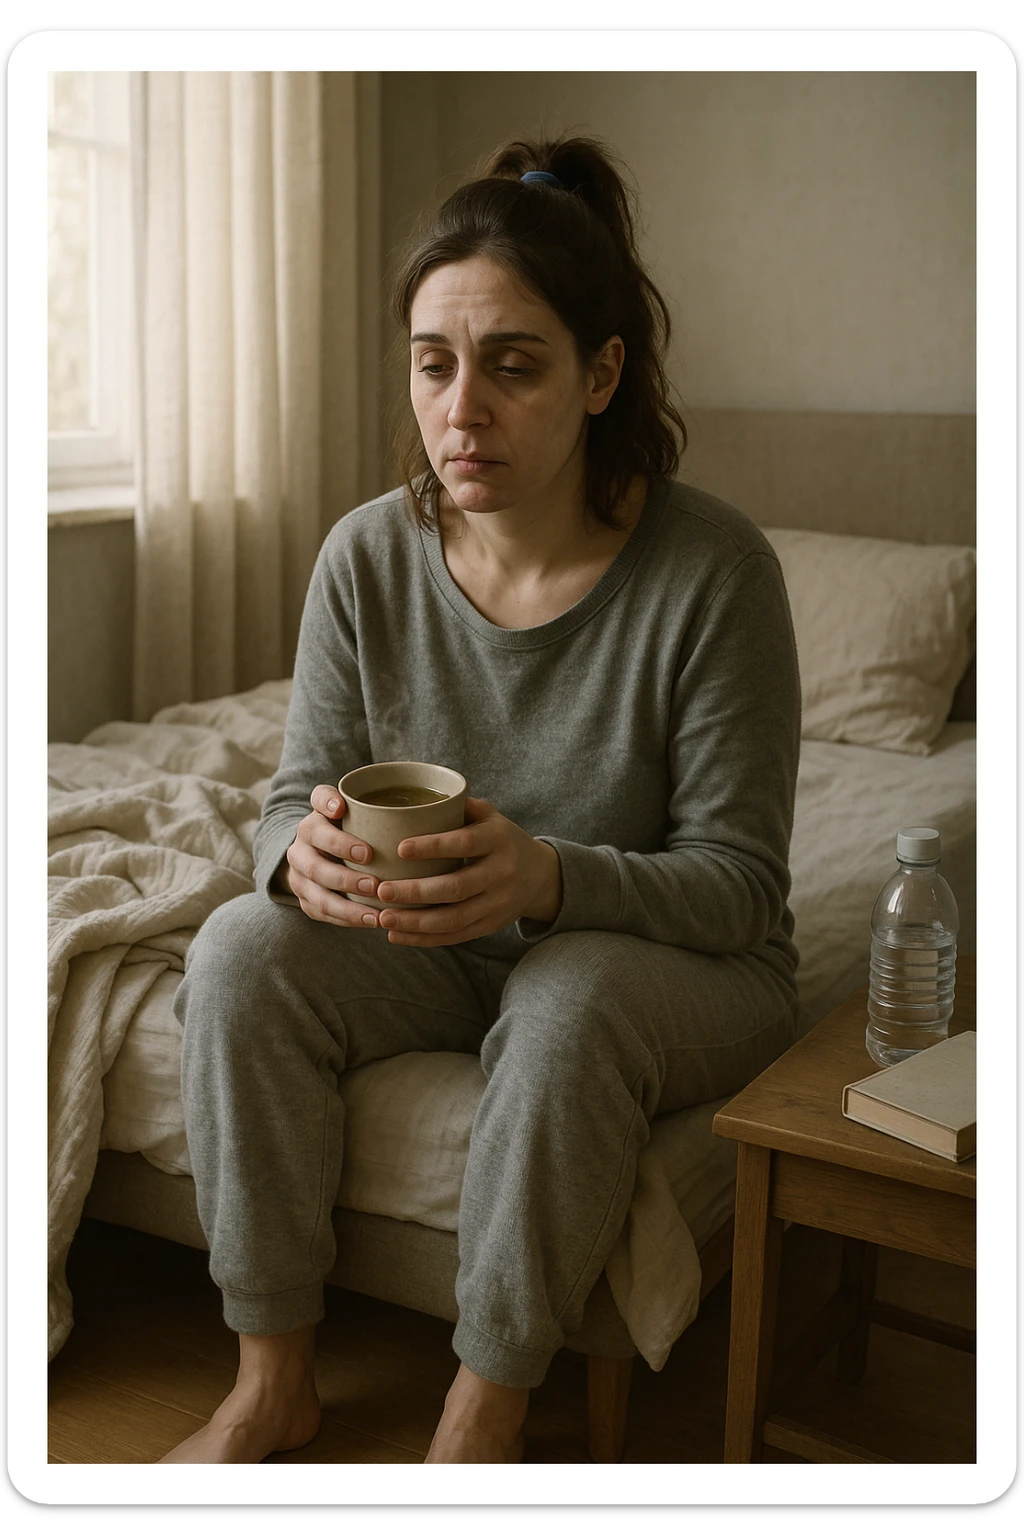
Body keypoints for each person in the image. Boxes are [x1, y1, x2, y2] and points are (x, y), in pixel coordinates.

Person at [159, 135, 803, 1464]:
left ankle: (482, 1411)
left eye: (513, 366)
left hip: (668, 957)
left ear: (600, 374)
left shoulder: (715, 572)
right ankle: (270, 1378)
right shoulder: (363, 558)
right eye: (434, 364)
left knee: (566, 998)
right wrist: (302, 862)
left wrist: (551, 878)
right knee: (236, 948)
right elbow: (290, 800)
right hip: (438, 941)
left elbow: (739, 888)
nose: (463, 412)